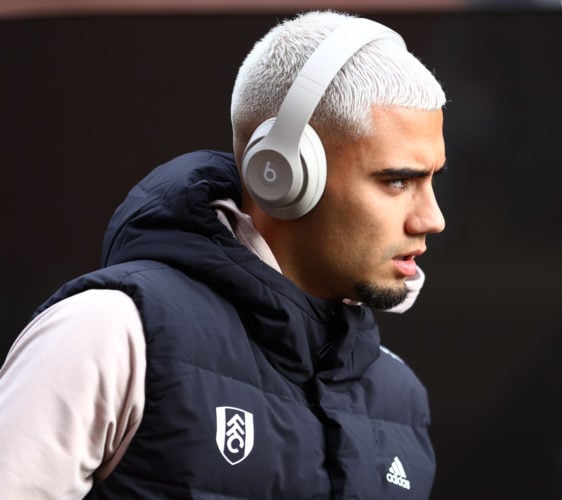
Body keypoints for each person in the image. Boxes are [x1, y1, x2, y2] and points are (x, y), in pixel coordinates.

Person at [0, 10, 447, 499]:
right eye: (397, 180)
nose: (431, 218)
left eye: (432, 180)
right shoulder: (108, 333)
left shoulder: (399, 399)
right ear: (283, 174)